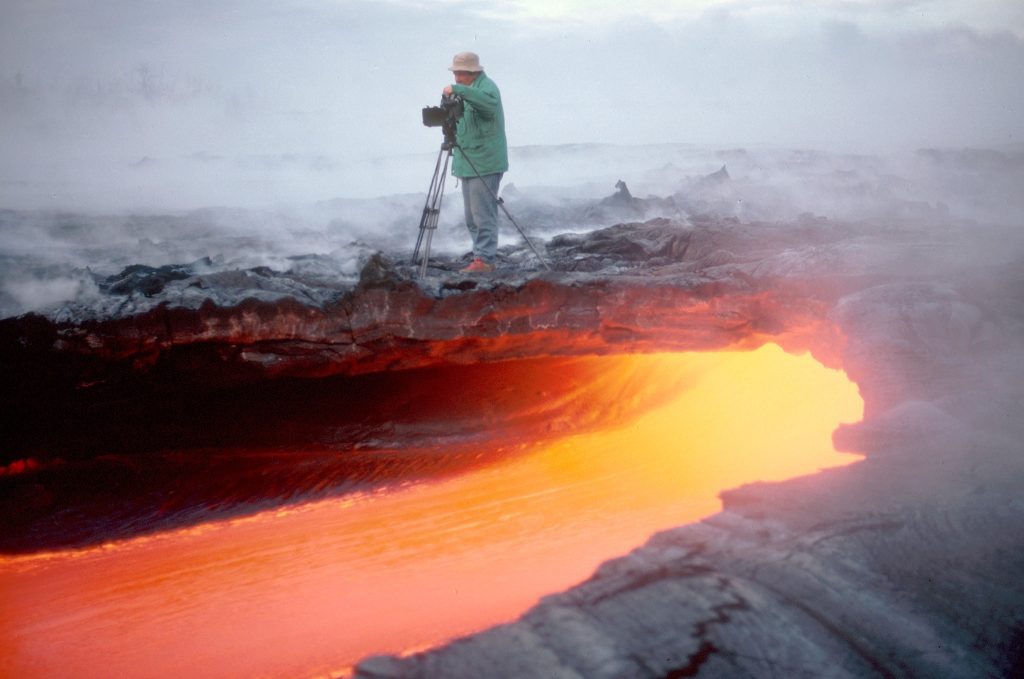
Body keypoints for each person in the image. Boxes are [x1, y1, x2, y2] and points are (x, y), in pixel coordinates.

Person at [442, 52, 508, 273]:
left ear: (473, 72)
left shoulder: (487, 88)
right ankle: (480, 257)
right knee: (471, 216)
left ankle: (485, 260)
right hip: (468, 162)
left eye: (460, 74)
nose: (457, 78)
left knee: (483, 215)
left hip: (486, 163)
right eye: (456, 74)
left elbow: (487, 106)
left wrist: (459, 91)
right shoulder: (467, 92)